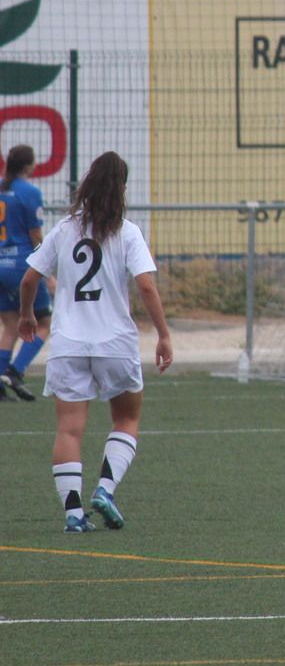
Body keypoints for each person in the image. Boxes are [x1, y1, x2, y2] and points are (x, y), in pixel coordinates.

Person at [18, 151, 172, 533]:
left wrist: (26, 316)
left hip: (69, 343)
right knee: (127, 418)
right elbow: (147, 287)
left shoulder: (64, 229)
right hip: (114, 343)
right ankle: (104, 489)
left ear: (87, 184)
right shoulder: (128, 231)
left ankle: (73, 514)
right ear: (121, 188)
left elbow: (29, 280)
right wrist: (164, 335)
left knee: (69, 430)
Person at [0, 145, 50, 402]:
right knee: (43, 322)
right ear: (28, 165)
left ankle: (0, 380)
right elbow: (35, 235)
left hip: (0, 262)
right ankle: (15, 370)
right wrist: (48, 269)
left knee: (9, 324)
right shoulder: (30, 192)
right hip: (21, 264)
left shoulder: (1, 187)